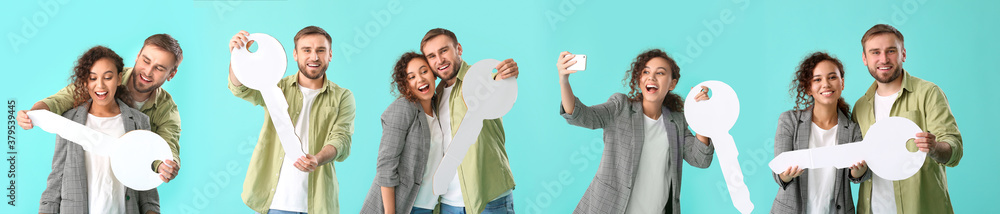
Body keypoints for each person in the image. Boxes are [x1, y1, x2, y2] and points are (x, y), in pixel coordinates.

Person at [556, 49, 713, 213]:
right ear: (639, 80)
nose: (651, 77)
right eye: (646, 71)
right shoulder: (620, 107)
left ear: (672, 84)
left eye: (660, 73)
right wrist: (564, 81)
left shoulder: (677, 121)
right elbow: (581, 116)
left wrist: (699, 116)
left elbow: (700, 160)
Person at [17, 34, 184, 183]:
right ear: (138, 56)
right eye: (146, 61)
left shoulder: (167, 110)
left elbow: (167, 147)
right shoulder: (108, 76)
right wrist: (34, 113)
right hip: (87, 174)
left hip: (125, 183)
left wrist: (167, 166)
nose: (148, 71)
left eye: (159, 68)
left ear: (171, 74)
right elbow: (63, 99)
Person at [228, 26, 356, 214]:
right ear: (295, 54)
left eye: (321, 50)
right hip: (274, 203)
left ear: (330, 55)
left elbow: (342, 139)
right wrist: (236, 58)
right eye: (307, 50)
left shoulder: (343, 96)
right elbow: (241, 88)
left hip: (319, 205)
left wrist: (318, 159)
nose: (314, 57)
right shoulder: (275, 86)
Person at [852, 24, 963, 214]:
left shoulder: (928, 93)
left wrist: (935, 148)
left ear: (903, 54)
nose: (883, 59)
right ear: (865, 58)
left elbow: (954, 149)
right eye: (875, 52)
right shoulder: (860, 106)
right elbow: (858, 165)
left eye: (891, 51)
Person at [39, 46, 160, 214]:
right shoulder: (69, 120)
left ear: (118, 79)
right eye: (93, 78)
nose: (100, 85)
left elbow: (146, 183)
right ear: (85, 82)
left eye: (108, 77)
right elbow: (57, 177)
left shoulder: (140, 122)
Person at [418, 28, 519, 214]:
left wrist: (503, 75)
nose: (439, 60)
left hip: (488, 200)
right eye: (431, 56)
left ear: (459, 49)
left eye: (444, 51)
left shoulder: (478, 79)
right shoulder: (435, 96)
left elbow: (495, 83)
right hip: (447, 204)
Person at [770, 52, 870, 214]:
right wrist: (786, 175)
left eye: (832, 77)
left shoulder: (853, 129)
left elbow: (862, 174)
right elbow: (778, 174)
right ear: (809, 88)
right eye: (817, 79)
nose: (826, 84)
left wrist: (858, 172)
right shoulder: (789, 121)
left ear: (842, 83)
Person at [361, 52, 443, 214]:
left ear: (434, 74)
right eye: (411, 77)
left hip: (429, 206)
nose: (420, 79)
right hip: (402, 207)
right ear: (405, 85)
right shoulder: (403, 108)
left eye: (424, 71)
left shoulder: (438, 108)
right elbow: (386, 165)